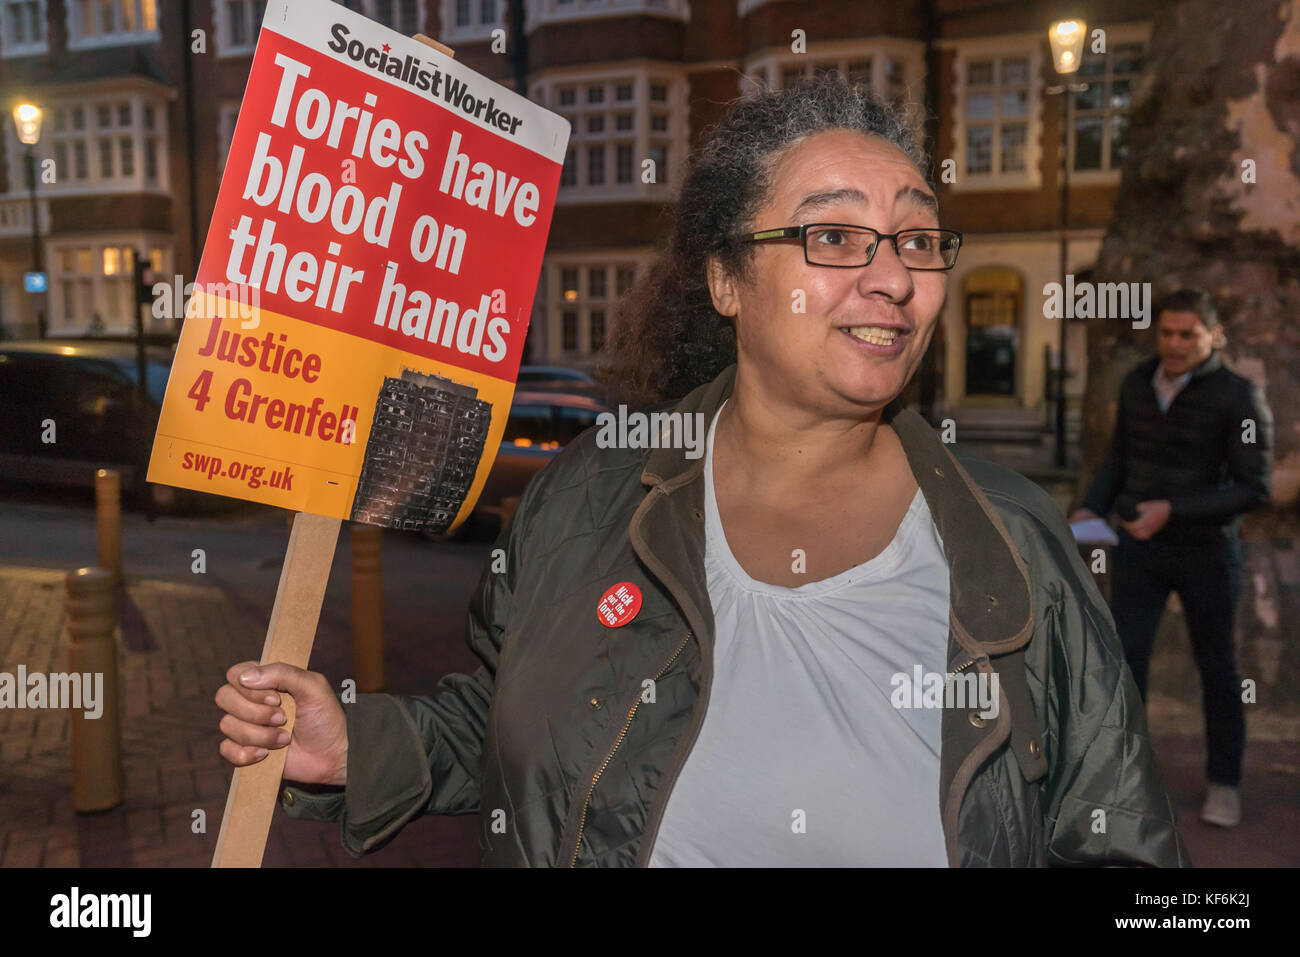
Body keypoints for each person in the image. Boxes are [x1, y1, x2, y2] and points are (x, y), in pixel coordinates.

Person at [216, 76, 1187, 867]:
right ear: (726, 279)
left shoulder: (1011, 537)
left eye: (917, 238)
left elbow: (1119, 844)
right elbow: (514, 722)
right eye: (834, 235)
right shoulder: (587, 496)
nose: (892, 276)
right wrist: (358, 745)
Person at [1071, 289, 1273, 829]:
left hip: (1208, 555)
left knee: (1219, 671)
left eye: (1189, 334)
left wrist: (1173, 510)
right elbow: (1119, 455)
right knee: (1125, 662)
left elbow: (1255, 489)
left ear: (1214, 336)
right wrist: (1090, 507)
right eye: (1167, 333)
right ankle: (1126, 778)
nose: (1176, 344)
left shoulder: (1239, 396)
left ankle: (1223, 782)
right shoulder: (1139, 382)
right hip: (1141, 549)